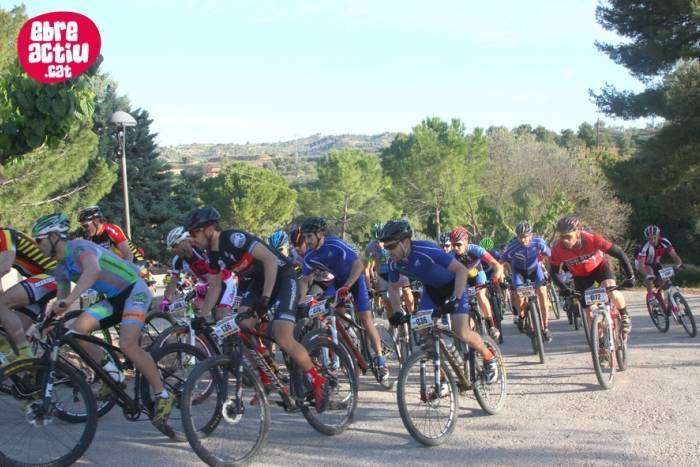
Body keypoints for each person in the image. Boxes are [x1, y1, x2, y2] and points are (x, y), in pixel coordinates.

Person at [31, 213, 174, 428]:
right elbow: (59, 305)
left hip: (135, 289)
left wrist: (70, 299)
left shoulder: (79, 247)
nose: (36, 246)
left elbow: (93, 270)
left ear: (53, 237)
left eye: (38, 240)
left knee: (127, 344)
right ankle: (112, 373)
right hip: (115, 298)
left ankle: (162, 394)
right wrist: (41, 325)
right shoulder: (60, 268)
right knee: (75, 332)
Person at [184, 207, 329, 412]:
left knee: (283, 336)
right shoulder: (212, 255)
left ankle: (317, 380)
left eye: (193, 233)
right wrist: (201, 316)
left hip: (282, 276)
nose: (191, 239)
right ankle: (266, 376)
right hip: (258, 282)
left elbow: (270, 260)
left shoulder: (234, 238)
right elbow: (215, 286)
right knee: (239, 327)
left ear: (208, 230)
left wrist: (266, 298)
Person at [381, 220, 498, 383]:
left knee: (461, 330)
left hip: (454, 285)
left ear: (405, 242)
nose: (388, 251)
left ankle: (489, 358)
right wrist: (397, 312)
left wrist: (456, 299)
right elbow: (393, 287)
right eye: (386, 247)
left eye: (391, 246)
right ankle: (443, 379)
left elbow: (461, 270)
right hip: (432, 290)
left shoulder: (427, 249)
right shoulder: (394, 263)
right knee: (424, 330)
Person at [297, 217, 389, 383]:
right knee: (328, 308)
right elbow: (304, 280)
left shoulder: (335, 244)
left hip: (355, 278)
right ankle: (346, 336)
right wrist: (300, 300)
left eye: (310, 236)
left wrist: (347, 285)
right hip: (338, 281)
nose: (307, 241)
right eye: (305, 237)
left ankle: (381, 360)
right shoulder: (310, 256)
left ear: (320, 234)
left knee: (366, 320)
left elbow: (359, 264)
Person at [549, 215, 634, 335]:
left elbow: (619, 253)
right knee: (588, 311)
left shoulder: (592, 239)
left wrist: (630, 276)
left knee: (610, 289)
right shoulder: (557, 249)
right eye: (562, 237)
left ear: (578, 233)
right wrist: (564, 288)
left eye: (568, 236)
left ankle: (624, 314)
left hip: (600, 267)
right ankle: (599, 343)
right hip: (580, 276)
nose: (565, 240)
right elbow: (554, 272)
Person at [0, 227, 57, 363]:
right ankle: (27, 373)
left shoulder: (4, 234)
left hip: (53, 275)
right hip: (41, 282)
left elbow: (5, 267)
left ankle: (26, 355)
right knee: (13, 337)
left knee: (1, 305)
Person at [161, 226, 237, 320]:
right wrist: (166, 300)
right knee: (195, 314)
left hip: (225, 282)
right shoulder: (177, 261)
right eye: (172, 247)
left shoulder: (201, 250)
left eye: (175, 245)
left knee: (220, 317)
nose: (174, 250)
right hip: (206, 285)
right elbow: (173, 281)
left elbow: (216, 272)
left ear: (185, 241)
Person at [501, 221, 553, 342]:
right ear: (517, 236)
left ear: (531, 235)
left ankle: (545, 327)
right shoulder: (512, 246)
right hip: (518, 273)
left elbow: (551, 256)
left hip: (535, 270)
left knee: (542, 293)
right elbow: (501, 261)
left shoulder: (538, 242)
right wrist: (503, 274)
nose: (523, 240)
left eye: (525, 237)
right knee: (519, 295)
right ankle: (521, 317)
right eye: (520, 237)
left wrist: (552, 272)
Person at [449, 227, 504, 340]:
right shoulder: (451, 255)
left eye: (458, 244)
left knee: (480, 295)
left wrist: (496, 276)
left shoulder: (475, 249)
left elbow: (495, 264)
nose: (455, 248)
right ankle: (471, 335)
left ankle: (491, 325)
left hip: (478, 275)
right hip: (463, 280)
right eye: (453, 245)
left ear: (466, 242)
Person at [364, 223, 414, 320]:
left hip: (397, 271)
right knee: (386, 300)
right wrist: (369, 287)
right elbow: (366, 268)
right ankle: (394, 322)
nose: (379, 244)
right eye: (377, 241)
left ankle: (412, 315)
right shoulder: (369, 247)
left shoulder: (394, 244)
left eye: (382, 241)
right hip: (382, 275)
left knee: (406, 291)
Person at [79, 205, 144, 263]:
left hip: (136, 263)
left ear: (96, 221)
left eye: (85, 226)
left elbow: (128, 254)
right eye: (82, 227)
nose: (84, 229)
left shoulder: (110, 229)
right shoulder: (91, 238)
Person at [636, 225, 683, 303]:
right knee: (650, 274)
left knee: (664, 280)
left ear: (658, 236)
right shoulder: (645, 246)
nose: (652, 240)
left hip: (655, 262)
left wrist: (679, 265)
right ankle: (650, 297)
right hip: (643, 263)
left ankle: (668, 300)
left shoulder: (664, 242)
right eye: (649, 238)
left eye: (654, 237)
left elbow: (675, 256)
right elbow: (641, 266)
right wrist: (647, 276)